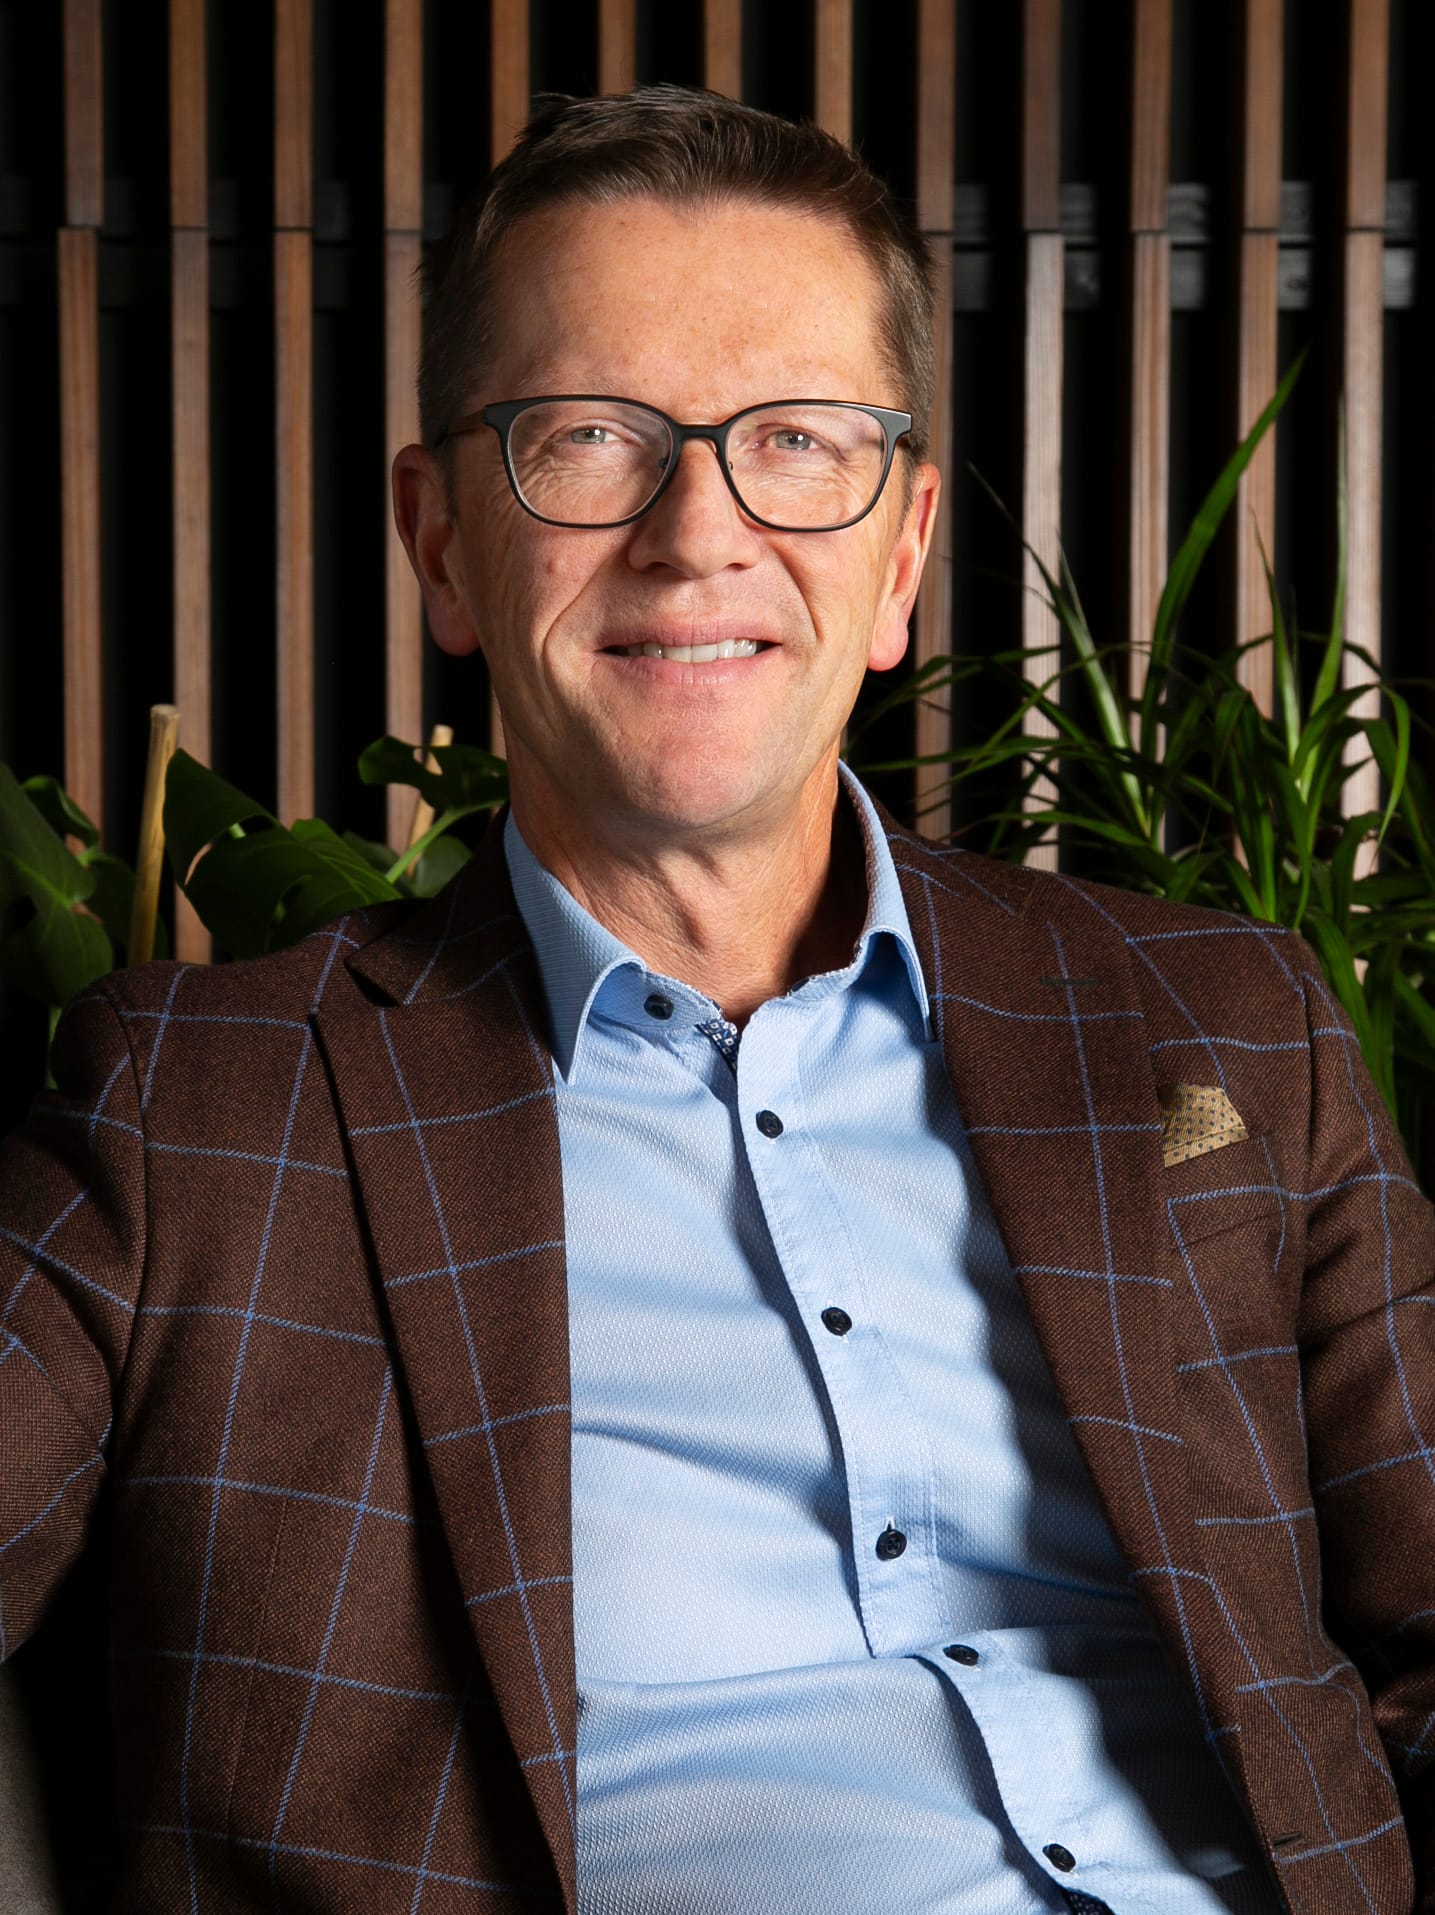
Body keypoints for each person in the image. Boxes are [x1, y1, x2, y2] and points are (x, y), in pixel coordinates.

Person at [2, 84, 1433, 1915]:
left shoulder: (1227, 1024)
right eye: (591, 439)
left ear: (902, 550)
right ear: (440, 541)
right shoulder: (200, 1116)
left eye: (800, 442)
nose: (700, 533)